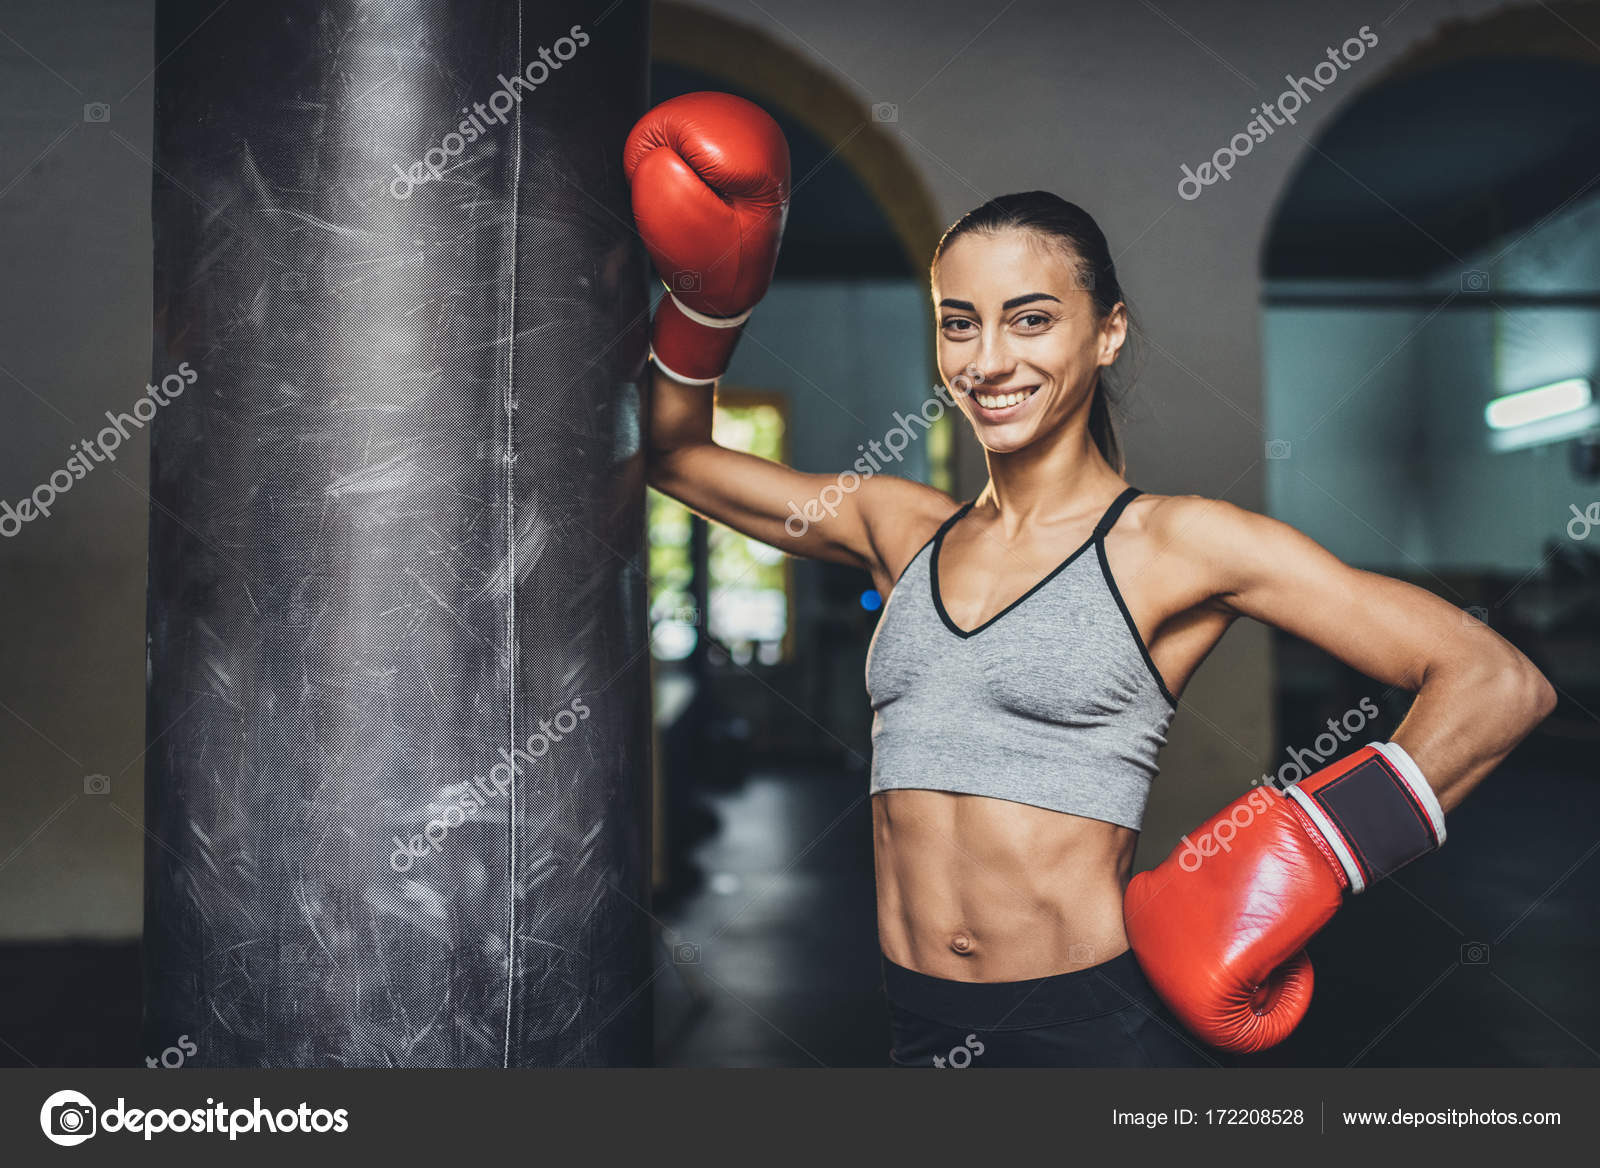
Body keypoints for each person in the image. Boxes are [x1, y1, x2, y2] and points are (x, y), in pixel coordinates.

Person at [624, 93, 1556, 1067]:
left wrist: (1310, 848)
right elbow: (676, 455)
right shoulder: (897, 527)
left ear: (1106, 332)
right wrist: (706, 305)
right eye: (958, 324)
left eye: (1030, 320)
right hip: (917, 1026)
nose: (987, 361)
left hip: (1090, 1033)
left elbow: (1495, 682)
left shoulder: (1176, 543)